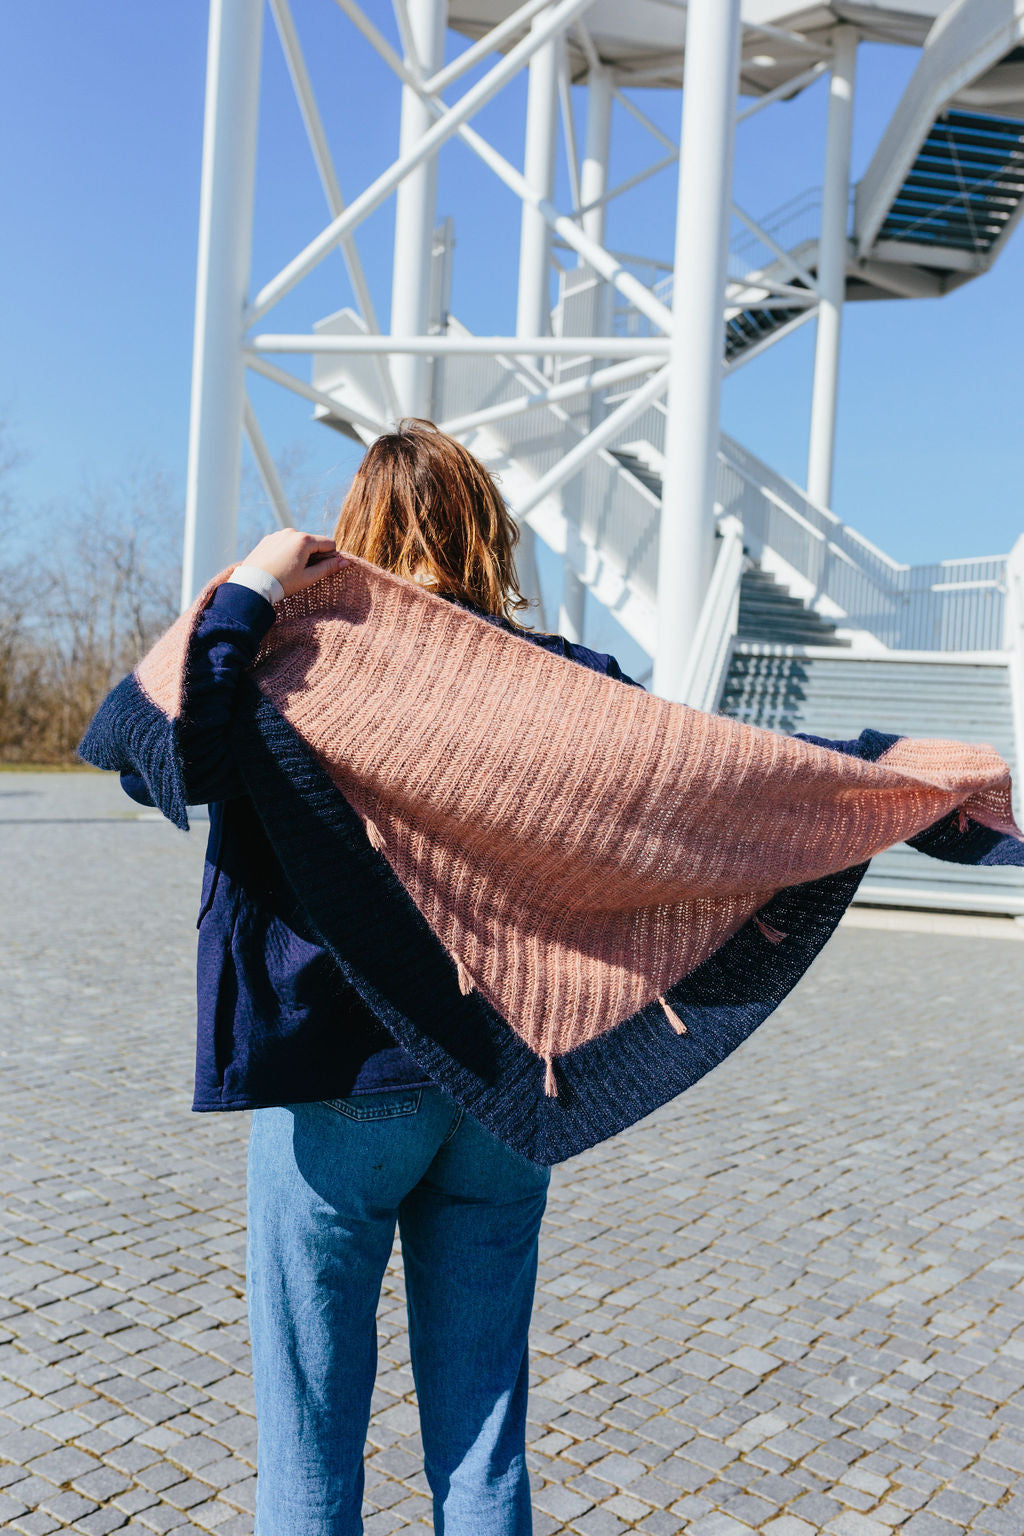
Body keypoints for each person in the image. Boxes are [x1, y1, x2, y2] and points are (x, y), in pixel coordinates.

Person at [120, 420, 640, 1536]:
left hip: (340, 1084)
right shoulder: (563, 680)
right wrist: (883, 781)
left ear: (352, 532)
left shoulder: (294, 672)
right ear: (486, 531)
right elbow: (694, 792)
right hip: (503, 1096)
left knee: (307, 1456)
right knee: (483, 1452)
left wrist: (256, 582)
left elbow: (179, 746)